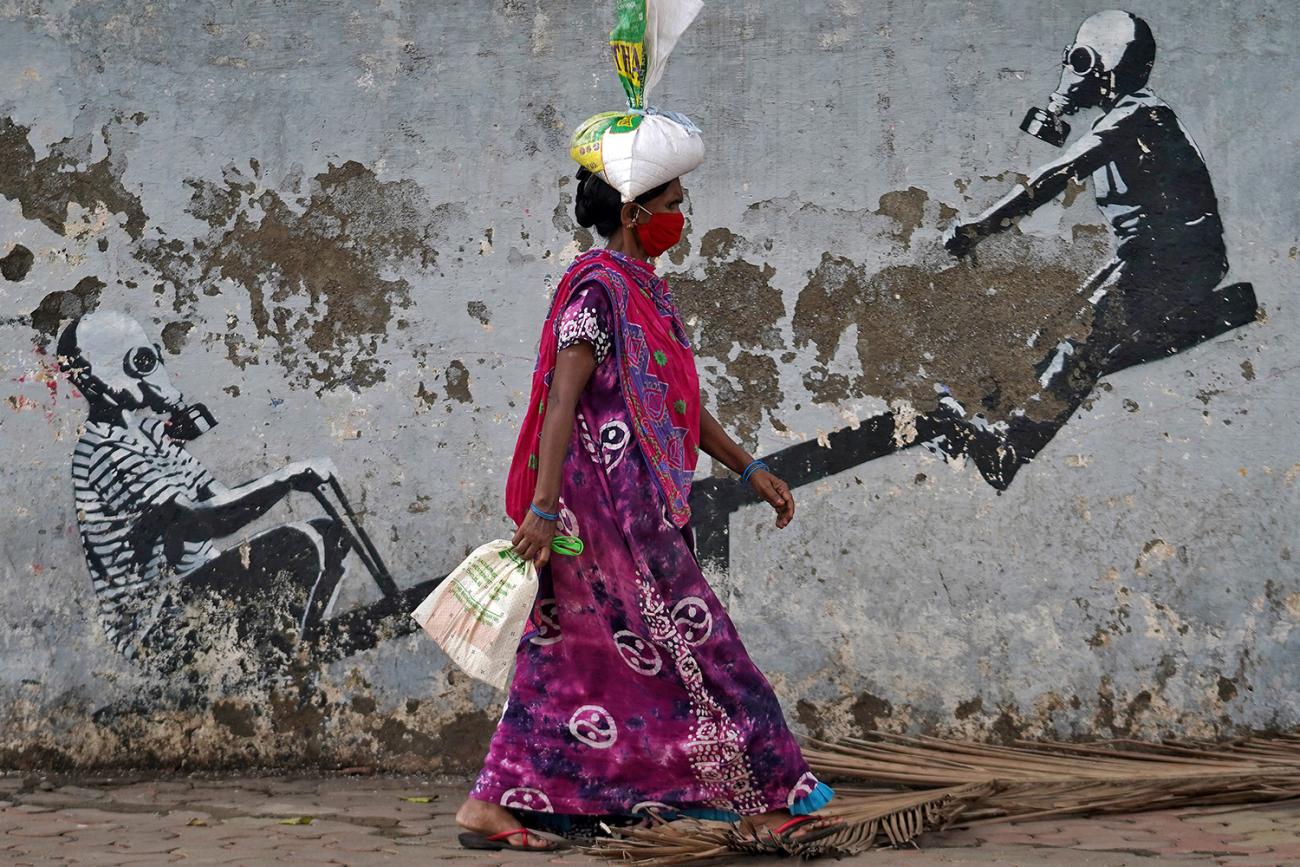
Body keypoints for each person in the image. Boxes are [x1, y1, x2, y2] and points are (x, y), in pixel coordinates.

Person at [453, 168, 841, 852]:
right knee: (704, 643)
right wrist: (543, 509)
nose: (680, 217)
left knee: (569, 654)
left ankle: (495, 800)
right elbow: (561, 401)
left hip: (640, 502)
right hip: (601, 512)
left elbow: (674, 403)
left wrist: (748, 466)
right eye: (671, 205)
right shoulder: (598, 290)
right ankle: (776, 794)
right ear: (633, 213)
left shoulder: (645, 291)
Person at [58, 310, 350, 673]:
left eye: (147, 357)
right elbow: (197, 522)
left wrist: (281, 481)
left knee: (330, 533)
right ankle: (277, 666)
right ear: (89, 378)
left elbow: (218, 500)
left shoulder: (151, 438)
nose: (145, 368)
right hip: (154, 623)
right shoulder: (104, 451)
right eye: (135, 361)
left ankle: (290, 655)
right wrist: (285, 479)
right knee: (298, 543)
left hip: (195, 594)